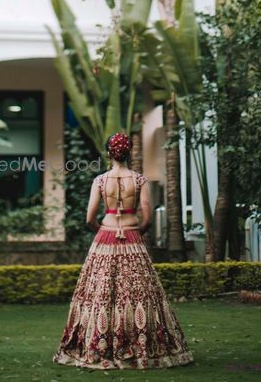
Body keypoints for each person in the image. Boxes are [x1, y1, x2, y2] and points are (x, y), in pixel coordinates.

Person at [52, 131, 195, 369]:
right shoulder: (139, 180)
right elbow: (147, 217)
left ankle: (97, 345)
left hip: (105, 236)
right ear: (129, 153)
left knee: (100, 294)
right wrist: (136, 234)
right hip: (132, 236)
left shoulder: (100, 181)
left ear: (109, 153)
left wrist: (103, 230)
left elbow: (89, 218)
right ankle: (142, 345)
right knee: (139, 293)